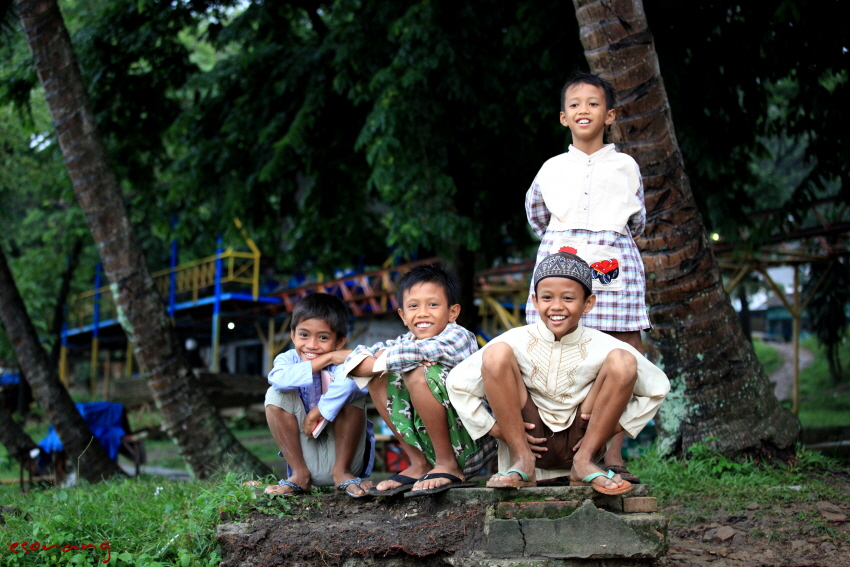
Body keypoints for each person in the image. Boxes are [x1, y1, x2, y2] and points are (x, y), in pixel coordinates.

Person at [447, 250, 669, 494]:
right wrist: (498, 430)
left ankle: (583, 464)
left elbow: (657, 387)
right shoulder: (516, 339)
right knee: (495, 354)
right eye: (547, 297)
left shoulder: (604, 344)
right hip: (527, 439)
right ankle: (523, 461)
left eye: (568, 298)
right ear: (535, 301)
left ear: (588, 303)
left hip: (582, 440)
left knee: (624, 362)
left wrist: (612, 427)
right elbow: (458, 383)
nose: (556, 306)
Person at [524, 71, 650, 482]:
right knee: (554, 349)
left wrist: (604, 238)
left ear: (609, 115)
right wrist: (568, 239)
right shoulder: (551, 167)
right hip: (562, 261)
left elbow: (638, 220)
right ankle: (556, 453)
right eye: (575, 104)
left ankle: (611, 455)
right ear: (564, 117)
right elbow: (537, 215)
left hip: (615, 261)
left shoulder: (626, 166)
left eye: (594, 103)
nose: (584, 110)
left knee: (625, 350)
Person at [344, 264, 496, 497]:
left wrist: (380, 358)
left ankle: (447, 465)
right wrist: (377, 361)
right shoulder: (406, 340)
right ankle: (419, 463)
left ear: (452, 312)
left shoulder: (459, 336)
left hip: (473, 441)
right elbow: (359, 357)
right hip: (434, 448)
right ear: (403, 316)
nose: (423, 313)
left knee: (416, 371)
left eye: (433, 304)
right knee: (377, 377)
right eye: (413, 306)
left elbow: (418, 352)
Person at [261, 293, 375, 497]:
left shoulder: (345, 361)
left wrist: (318, 411)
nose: (312, 345)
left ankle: (341, 472)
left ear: (340, 341)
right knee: (275, 394)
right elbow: (279, 379)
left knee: (353, 391)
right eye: (304, 335)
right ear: (293, 335)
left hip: (345, 458)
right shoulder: (287, 359)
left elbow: (349, 386)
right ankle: (299, 476)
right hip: (306, 457)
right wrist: (326, 358)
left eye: (323, 337)